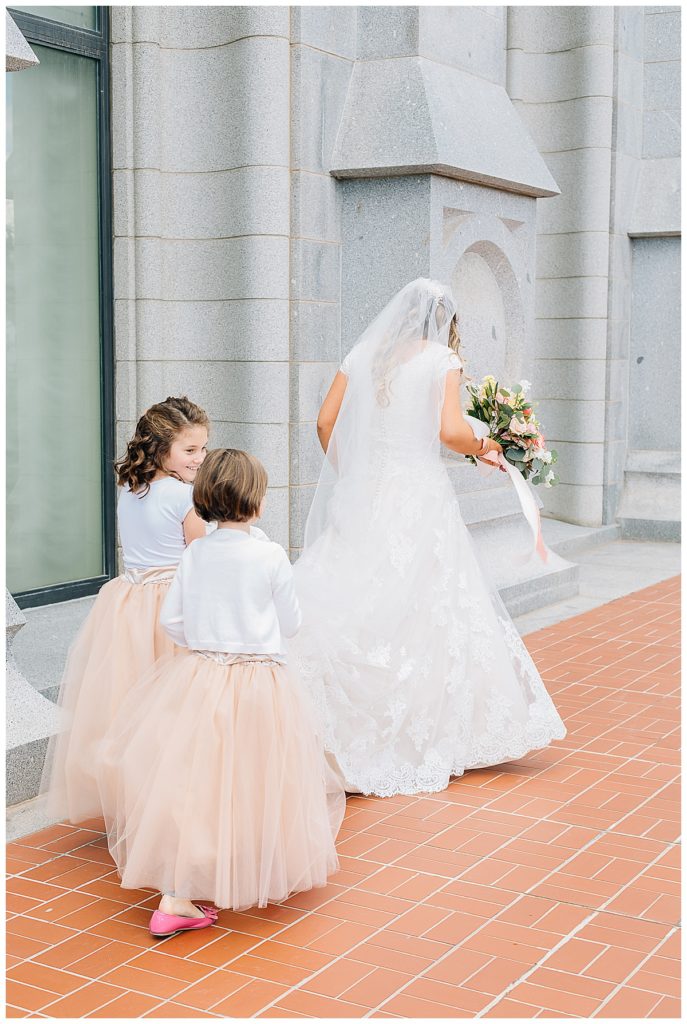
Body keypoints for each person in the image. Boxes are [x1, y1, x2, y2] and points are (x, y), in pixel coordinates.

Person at [290, 278, 566, 797]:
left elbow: (325, 421)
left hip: (364, 491)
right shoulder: (442, 360)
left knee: (358, 589)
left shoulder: (362, 354)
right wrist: (489, 441)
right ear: (445, 320)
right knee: (427, 603)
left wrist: (350, 472)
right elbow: (450, 431)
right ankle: (426, 726)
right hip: (418, 492)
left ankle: (337, 716)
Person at [97, 449, 345, 938]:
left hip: (201, 679)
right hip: (259, 683)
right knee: (259, 776)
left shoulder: (196, 554)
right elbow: (292, 622)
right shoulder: (270, 554)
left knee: (197, 780)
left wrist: (207, 643)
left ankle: (177, 893)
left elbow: (172, 621)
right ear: (256, 500)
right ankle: (251, 866)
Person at [42, 396, 209, 824]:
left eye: (203, 449)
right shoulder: (184, 498)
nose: (200, 458)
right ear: (160, 448)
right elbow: (201, 561)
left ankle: (133, 799)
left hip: (128, 606)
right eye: (190, 450)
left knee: (127, 707)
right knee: (171, 708)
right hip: (169, 606)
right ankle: (170, 803)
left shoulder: (132, 488)